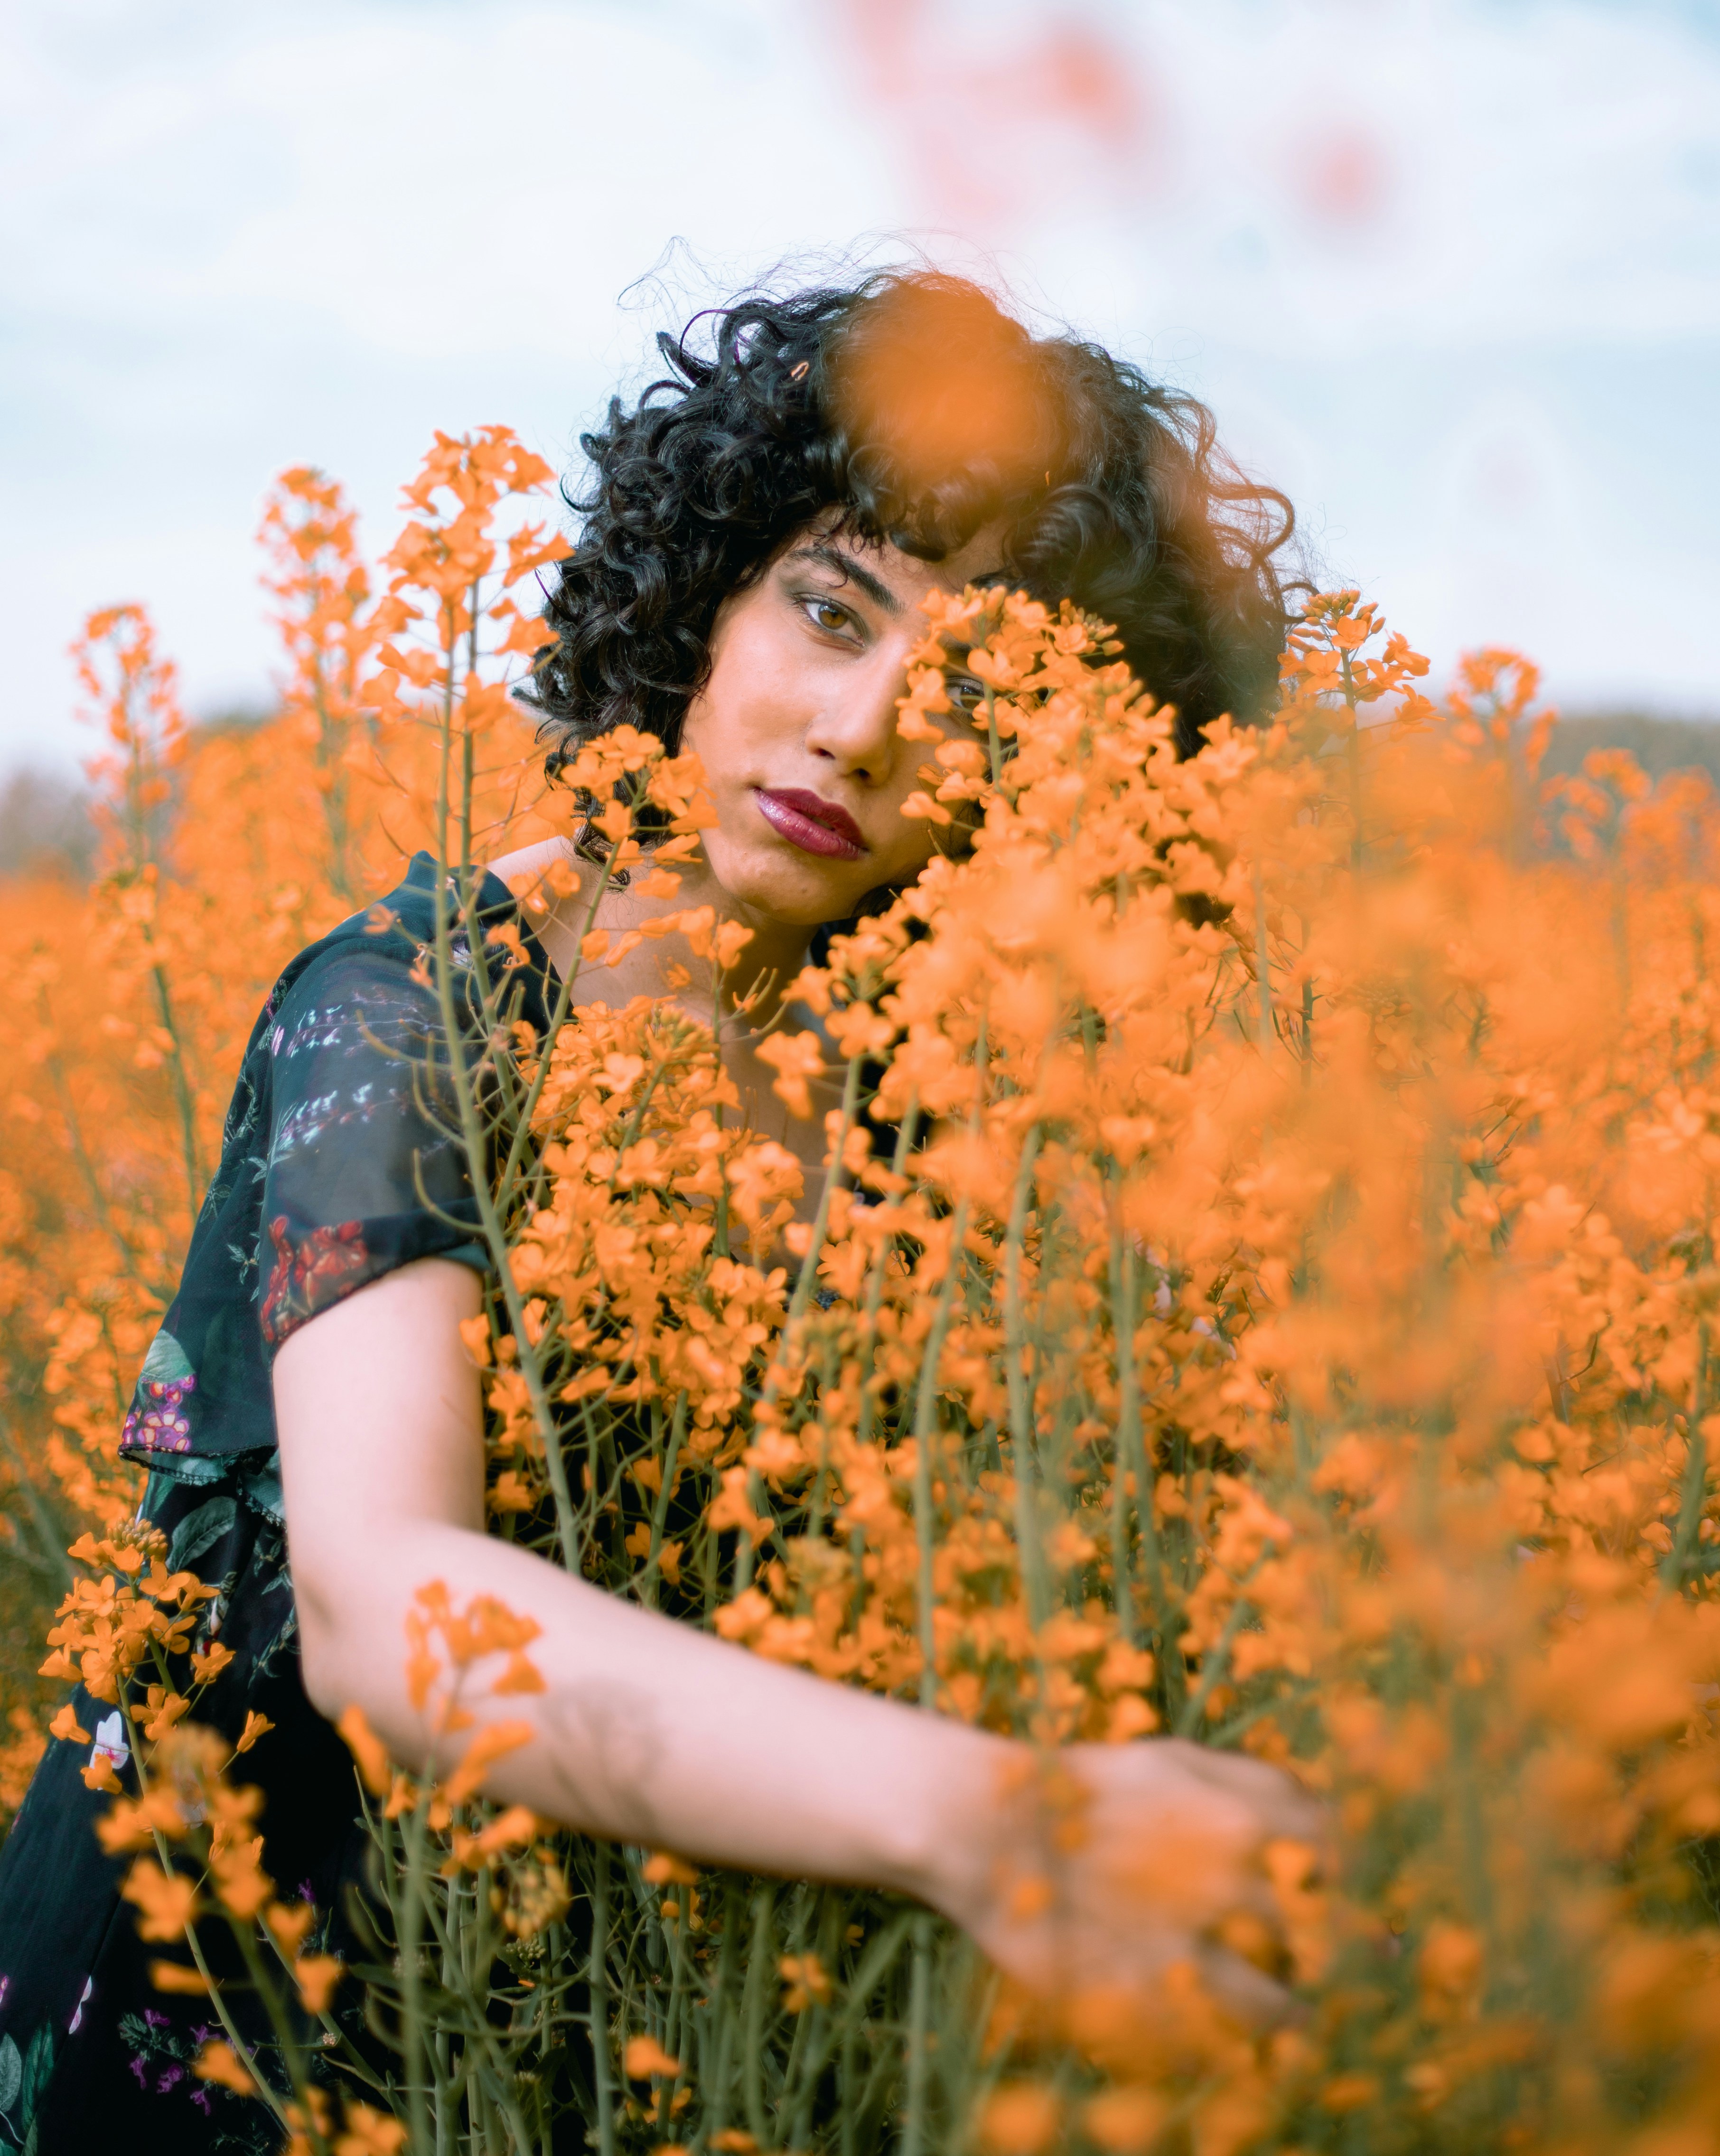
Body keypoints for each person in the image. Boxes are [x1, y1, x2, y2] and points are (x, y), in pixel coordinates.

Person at [0, 270, 1312, 2151]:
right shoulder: (411, 1000)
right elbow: (389, 1602)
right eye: (831, 607)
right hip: (224, 2039)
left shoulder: (917, 1094)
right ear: (703, 588)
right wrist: (1002, 1819)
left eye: (973, 693)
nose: (863, 730)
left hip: (576, 2048)